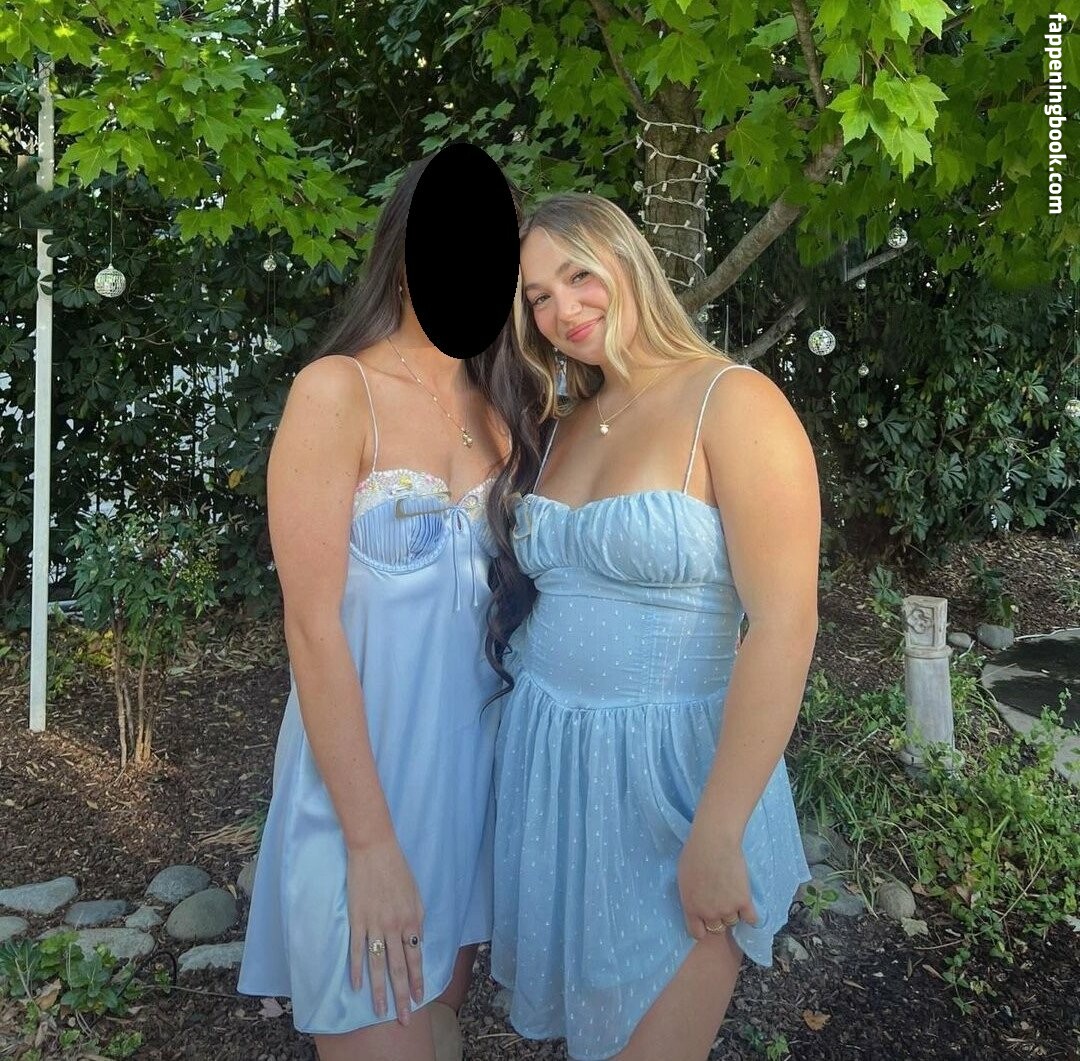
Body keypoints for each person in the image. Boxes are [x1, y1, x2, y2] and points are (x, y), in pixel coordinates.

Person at [483, 192, 820, 1061]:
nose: (562, 310)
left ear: (627, 260)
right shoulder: (562, 424)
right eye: (538, 297)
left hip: (675, 782)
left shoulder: (733, 402)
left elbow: (784, 627)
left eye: (578, 276)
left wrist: (720, 828)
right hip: (556, 770)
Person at [237, 152, 530, 1061]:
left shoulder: (508, 407)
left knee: (436, 1029)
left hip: (469, 787)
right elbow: (311, 628)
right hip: (362, 795)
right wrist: (370, 846)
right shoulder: (337, 391)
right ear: (403, 255)